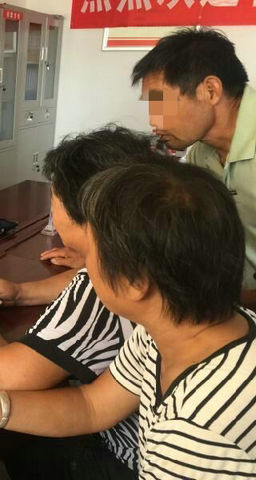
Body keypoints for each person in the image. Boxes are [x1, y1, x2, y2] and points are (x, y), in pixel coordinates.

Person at [0, 160, 256, 478]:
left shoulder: (197, 434)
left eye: (89, 253)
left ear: (135, 282)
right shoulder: (170, 328)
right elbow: (92, 405)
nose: (81, 265)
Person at [0, 126, 166, 478]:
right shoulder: (149, 255)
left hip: (127, 458)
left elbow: (6, 377)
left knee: (22, 447)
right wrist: (22, 292)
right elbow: (86, 277)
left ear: (86, 210)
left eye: (55, 199)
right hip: (117, 417)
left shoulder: (103, 286)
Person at [131, 27, 256, 307]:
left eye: (161, 102)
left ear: (210, 90)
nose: (154, 121)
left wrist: (218, 302)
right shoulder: (201, 153)